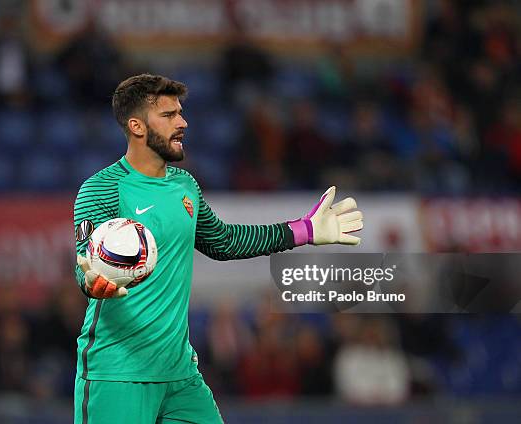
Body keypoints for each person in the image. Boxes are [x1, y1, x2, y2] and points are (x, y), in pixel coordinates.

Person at [72, 74, 364, 423]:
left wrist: (304, 230)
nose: (183, 123)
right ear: (136, 126)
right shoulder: (102, 188)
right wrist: (94, 283)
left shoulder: (185, 185)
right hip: (117, 371)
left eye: (180, 113)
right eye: (168, 116)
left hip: (179, 375)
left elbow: (223, 241)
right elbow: (86, 261)